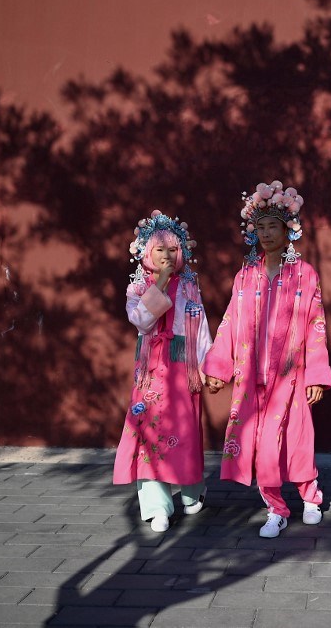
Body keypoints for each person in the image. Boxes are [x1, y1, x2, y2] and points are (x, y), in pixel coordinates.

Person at [204, 180, 331, 538]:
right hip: (252, 378)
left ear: (288, 229)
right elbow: (230, 322)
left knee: (296, 439)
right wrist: (218, 368)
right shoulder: (245, 277)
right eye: (260, 227)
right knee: (261, 443)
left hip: (291, 375)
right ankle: (276, 509)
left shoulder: (304, 275)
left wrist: (316, 376)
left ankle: (310, 497)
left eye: (273, 226)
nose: (266, 233)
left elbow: (316, 325)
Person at [113, 210, 212, 533]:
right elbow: (142, 322)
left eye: (173, 249)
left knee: (185, 433)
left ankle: (192, 490)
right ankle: (157, 507)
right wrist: (159, 283)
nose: (167, 255)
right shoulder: (138, 287)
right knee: (150, 435)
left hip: (183, 366)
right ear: (147, 252)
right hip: (151, 369)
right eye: (159, 249)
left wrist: (208, 366)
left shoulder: (189, 286)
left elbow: (200, 327)